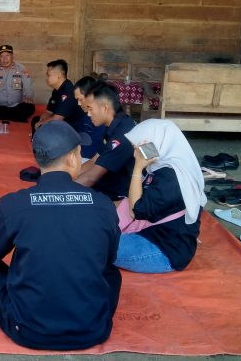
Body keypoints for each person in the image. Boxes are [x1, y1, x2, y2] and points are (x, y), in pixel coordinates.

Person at [0, 120, 121, 350]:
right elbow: (108, 259)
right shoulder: (103, 205)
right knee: (111, 272)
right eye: (79, 153)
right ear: (72, 158)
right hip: (93, 329)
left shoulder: (15, 204)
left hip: (28, 331)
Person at [115, 119, 206, 273]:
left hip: (163, 251)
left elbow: (136, 210)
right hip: (158, 236)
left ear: (155, 144)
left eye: (138, 146)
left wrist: (138, 166)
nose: (135, 151)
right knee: (96, 234)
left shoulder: (172, 177)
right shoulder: (168, 166)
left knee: (94, 244)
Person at [76, 81, 136, 201]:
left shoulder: (122, 135)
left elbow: (91, 178)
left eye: (90, 109)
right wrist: (68, 177)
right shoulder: (115, 124)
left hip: (119, 195)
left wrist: (60, 190)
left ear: (104, 108)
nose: (88, 114)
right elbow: (94, 160)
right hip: (107, 184)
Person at [0, 45, 35, 122]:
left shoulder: (22, 69)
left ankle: (0, 115)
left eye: (7, 55)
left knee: (30, 107)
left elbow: (28, 87)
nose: (5, 59)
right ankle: (15, 117)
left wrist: (28, 96)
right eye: (2, 56)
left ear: (12, 56)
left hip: (16, 106)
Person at [30, 59, 82, 135]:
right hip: (60, 122)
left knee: (42, 125)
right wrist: (40, 122)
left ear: (59, 75)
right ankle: (38, 137)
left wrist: (39, 125)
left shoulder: (68, 91)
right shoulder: (56, 90)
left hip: (71, 127)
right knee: (36, 120)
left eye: (49, 75)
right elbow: (48, 112)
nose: (47, 78)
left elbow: (58, 118)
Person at [73, 76, 106, 160]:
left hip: (92, 160)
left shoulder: (102, 119)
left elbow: (91, 150)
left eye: (80, 99)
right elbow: (74, 129)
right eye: (77, 100)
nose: (79, 104)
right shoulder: (85, 116)